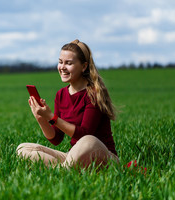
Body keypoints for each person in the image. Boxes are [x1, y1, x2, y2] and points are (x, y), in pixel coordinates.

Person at [16, 39, 119, 169]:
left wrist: (52, 117)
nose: (62, 67)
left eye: (68, 63)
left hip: (101, 155)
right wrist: (41, 118)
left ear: (84, 66)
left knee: (88, 140)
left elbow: (84, 134)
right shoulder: (61, 94)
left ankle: (61, 169)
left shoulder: (94, 94)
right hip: (73, 155)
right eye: (60, 62)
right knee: (23, 149)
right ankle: (65, 168)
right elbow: (56, 139)